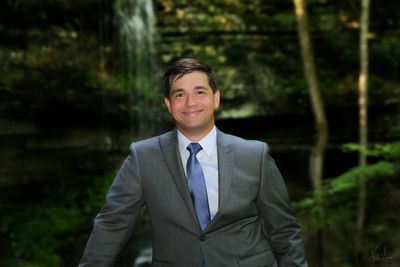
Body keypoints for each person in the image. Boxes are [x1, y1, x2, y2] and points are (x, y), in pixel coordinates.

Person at [78, 58, 308, 267]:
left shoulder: (254, 155)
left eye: (200, 92)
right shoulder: (143, 157)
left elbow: (284, 230)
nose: (190, 103)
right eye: (179, 94)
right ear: (168, 104)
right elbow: (111, 224)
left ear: (215, 98)